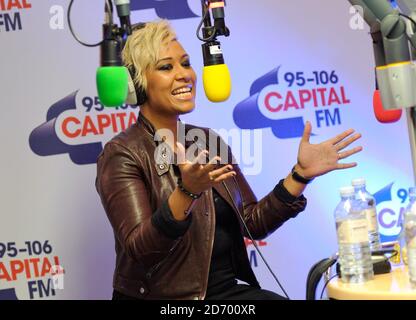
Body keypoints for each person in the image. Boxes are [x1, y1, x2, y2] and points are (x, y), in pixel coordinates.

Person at [95, 20, 363, 300]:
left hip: (225, 292)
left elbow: (252, 222)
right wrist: (186, 193)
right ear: (136, 84)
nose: (184, 74)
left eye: (185, 64)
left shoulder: (206, 139)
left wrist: (299, 175)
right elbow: (141, 250)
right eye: (166, 67)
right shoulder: (122, 154)